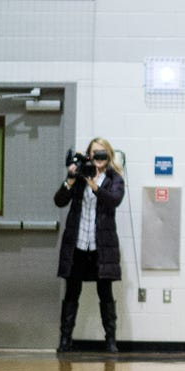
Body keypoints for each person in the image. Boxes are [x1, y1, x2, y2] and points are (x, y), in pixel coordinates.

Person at [54, 138, 126, 353]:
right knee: (71, 292)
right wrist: (71, 179)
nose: (99, 158)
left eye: (103, 153)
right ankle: (65, 340)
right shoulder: (79, 176)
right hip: (78, 244)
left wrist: (95, 186)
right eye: (94, 153)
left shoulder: (114, 179)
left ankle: (110, 341)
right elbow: (59, 200)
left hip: (100, 246)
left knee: (105, 293)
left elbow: (114, 200)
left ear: (110, 155)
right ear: (88, 155)